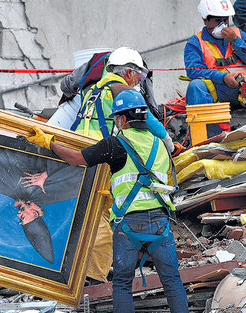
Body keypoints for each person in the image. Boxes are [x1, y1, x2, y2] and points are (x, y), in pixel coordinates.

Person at [26, 90, 189, 313]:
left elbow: (76, 158)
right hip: (160, 222)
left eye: (116, 119)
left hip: (129, 224)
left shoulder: (114, 144)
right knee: (171, 280)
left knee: (122, 284)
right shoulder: (161, 145)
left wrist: (48, 142)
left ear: (122, 118)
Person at [0, 137, 84, 263]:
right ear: (35, 213)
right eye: (23, 219)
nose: (18, 214)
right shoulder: (52, 190)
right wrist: (48, 174)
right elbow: (82, 165)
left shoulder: (13, 192)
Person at [185, 0, 246, 130]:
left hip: (245, 90)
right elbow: (193, 71)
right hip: (217, 92)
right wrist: (222, 77)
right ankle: (206, 133)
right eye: (218, 21)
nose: (223, 25)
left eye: (226, 20)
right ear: (205, 20)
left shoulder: (238, 34)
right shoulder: (195, 42)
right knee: (196, 85)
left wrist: (236, 41)